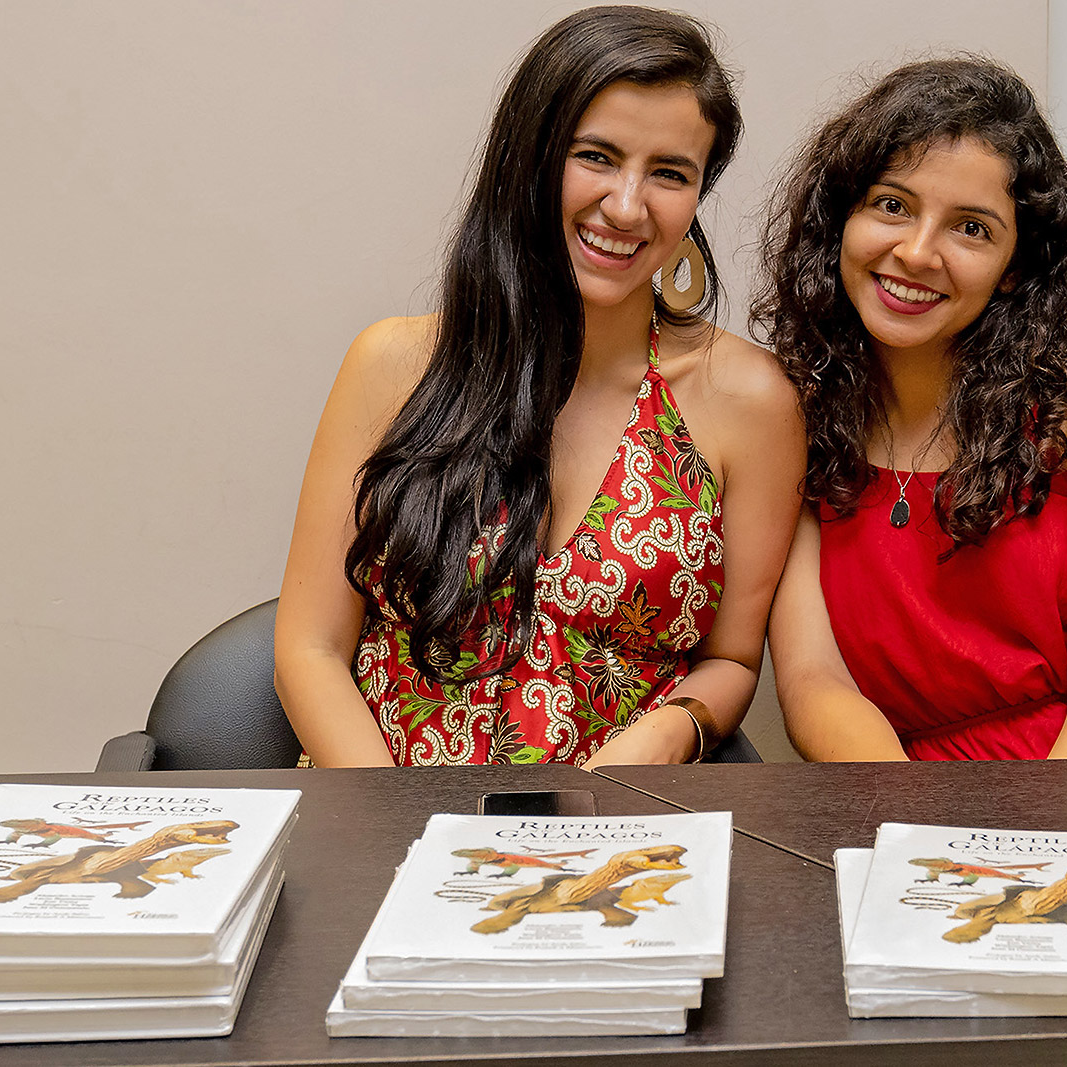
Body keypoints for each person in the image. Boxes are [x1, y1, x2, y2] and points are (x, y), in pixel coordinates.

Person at [274, 7, 804, 768]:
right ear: (528, 158)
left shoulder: (749, 400)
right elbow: (310, 646)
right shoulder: (392, 365)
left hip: (613, 844)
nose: (627, 206)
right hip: (380, 828)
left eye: (670, 173)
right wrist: (395, 830)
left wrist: (676, 726)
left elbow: (733, 662)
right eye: (596, 156)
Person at [754, 57, 1067, 760]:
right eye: (891, 204)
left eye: (970, 229)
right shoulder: (795, 416)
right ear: (840, 218)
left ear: (1015, 269)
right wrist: (918, 837)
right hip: (914, 798)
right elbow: (817, 686)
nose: (915, 252)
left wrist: (1027, 863)